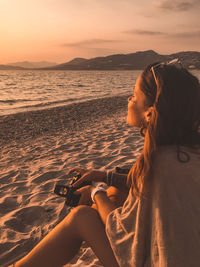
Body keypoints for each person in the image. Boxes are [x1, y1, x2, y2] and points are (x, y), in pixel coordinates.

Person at [12, 59, 200, 267]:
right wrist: (104, 176)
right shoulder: (185, 153)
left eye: (134, 96)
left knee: (82, 217)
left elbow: (121, 231)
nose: (129, 99)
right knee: (117, 193)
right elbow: (147, 186)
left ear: (150, 114)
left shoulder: (163, 163)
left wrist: (96, 192)